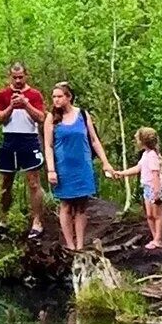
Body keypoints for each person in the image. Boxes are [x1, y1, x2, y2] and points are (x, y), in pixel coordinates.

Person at [43, 80, 115, 254]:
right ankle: (70, 244)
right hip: (63, 167)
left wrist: (105, 162)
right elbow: (48, 146)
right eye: (54, 97)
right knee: (66, 205)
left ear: (69, 97)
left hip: (82, 165)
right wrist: (51, 169)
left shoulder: (82, 115)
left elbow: (94, 140)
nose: (56, 100)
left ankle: (81, 244)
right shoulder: (52, 118)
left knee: (82, 205)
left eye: (60, 96)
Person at [0, 62, 50, 236]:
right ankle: (3, 221)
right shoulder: (2, 95)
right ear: (9, 76)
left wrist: (25, 104)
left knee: (33, 182)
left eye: (20, 77)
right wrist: (11, 106)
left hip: (28, 139)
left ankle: (37, 221)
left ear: (26, 75)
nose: (17, 81)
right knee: (5, 183)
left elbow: (41, 117)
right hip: (9, 139)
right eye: (14, 77)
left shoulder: (34, 94)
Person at [106, 125, 162, 249]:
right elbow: (138, 168)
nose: (136, 142)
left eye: (137, 139)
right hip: (147, 188)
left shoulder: (152, 156)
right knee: (149, 215)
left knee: (157, 214)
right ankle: (154, 236)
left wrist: (156, 192)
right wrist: (122, 173)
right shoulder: (145, 154)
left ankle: (158, 239)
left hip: (155, 188)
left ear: (143, 141)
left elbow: (155, 175)